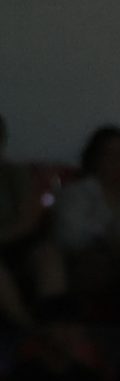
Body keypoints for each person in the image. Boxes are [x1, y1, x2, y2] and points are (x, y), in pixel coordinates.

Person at [32, 124, 120, 312]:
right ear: (95, 157)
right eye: (109, 154)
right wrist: (106, 240)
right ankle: (57, 317)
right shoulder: (76, 193)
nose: (117, 161)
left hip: (116, 264)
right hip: (77, 260)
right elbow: (68, 236)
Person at [0, 113, 46, 330]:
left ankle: (56, 322)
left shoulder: (14, 174)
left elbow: (28, 220)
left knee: (47, 255)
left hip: (15, 242)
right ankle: (28, 327)